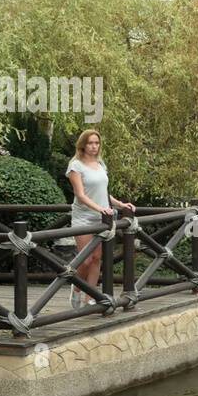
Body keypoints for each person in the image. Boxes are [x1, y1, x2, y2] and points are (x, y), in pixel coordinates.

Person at [65, 130, 136, 309]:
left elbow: (104, 193)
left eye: (97, 143)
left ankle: (91, 296)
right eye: (90, 143)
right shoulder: (76, 166)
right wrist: (100, 208)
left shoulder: (100, 164)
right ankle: (77, 287)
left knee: (97, 258)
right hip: (84, 217)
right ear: (83, 145)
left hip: (103, 219)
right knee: (85, 260)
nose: (94, 146)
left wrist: (120, 204)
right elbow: (80, 195)